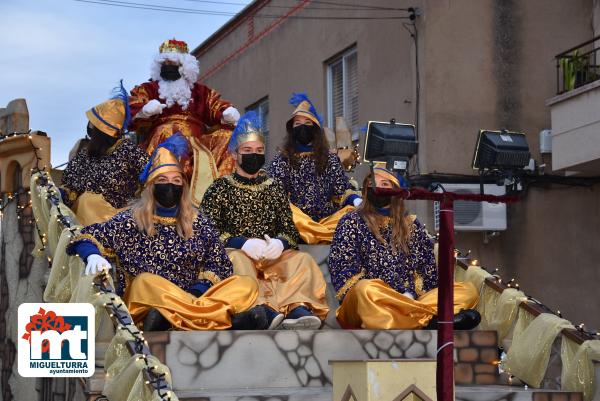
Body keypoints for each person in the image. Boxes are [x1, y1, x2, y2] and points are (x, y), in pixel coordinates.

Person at [67, 133, 266, 331]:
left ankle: (176, 318)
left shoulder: (198, 222)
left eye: (176, 181)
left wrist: (196, 293)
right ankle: (221, 319)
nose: (170, 185)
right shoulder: (131, 219)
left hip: (193, 296)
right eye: (163, 179)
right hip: (151, 298)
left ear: (183, 186)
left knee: (246, 284)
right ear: (151, 186)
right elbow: (86, 236)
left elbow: (219, 264)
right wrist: (91, 253)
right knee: (145, 283)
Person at [201, 111, 329, 329]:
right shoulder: (219, 188)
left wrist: (279, 243)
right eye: (248, 151)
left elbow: (289, 229)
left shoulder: (274, 187)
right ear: (235, 154)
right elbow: (208, 231)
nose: (254, 155)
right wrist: (242, 244)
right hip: (237, 253)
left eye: (259, 151)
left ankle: (296, 308)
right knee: (236, 261)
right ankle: (260, 309)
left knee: (302, 260)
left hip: (272, 257)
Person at [328, 166, 481, 330]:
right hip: (371, 302)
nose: (376, 187)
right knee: (365, 289)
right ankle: (431, 320)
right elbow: (344, 273)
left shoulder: (412, 226)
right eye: (372, 183)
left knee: (467, 290)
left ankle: (412, 318)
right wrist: (392, 296)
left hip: (411, 300)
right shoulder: (350, 221)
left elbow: (428, 273)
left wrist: (409, 294)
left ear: (396, 192)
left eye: (385, 184)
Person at [129, 39, 240, 203]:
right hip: (161, 139)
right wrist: (144, 110)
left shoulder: (198, 91)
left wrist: (225, 112)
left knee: (227, 136)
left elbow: (214, 105)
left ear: (184, 65)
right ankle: (165, 182)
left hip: (196, 143)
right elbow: (132, 109)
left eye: (173, 62)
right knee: (168, 130)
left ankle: (219, 194)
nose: (168, 65)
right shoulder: (149, 88)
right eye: (164, 62)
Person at [267, 93, 361, 244]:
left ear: (316, 129)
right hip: (296, 224)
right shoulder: (282, 160)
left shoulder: (330, 159)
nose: (302, 127)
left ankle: (320, 233)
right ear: (292, 130)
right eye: (297, 124)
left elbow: (341, 191)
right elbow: (274, 196)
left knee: (355, 215)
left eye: (307, 123)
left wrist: (356, 200)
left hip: (327, 221)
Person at [61, 81, 149, 226]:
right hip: (82, 225)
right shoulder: (86, 155)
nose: (89, 130)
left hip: (119, 224)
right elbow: (70, 187)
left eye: (92, 126)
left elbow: (151, 179)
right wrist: (59, 193)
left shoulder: (130, 152)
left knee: (89, 201)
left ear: (101, 132)